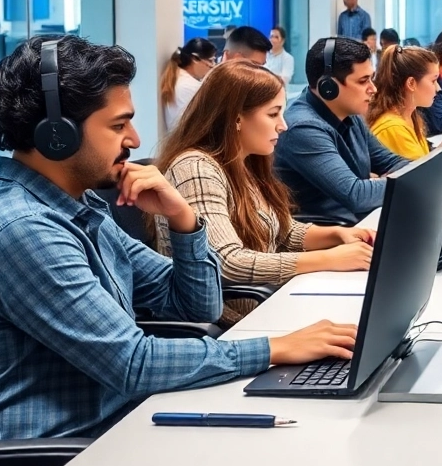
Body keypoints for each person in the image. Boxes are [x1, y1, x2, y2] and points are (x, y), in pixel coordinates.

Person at [0, 36, 357, 457]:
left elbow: (195, 308)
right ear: (56, 136)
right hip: (64, 457)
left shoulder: (78, 208)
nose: (135, 140)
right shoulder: (24, 230)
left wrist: (184, 221)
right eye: (118, 125)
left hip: (123, 422)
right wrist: (274, 349)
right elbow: (132, 365)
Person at [153, 61, 375, 325]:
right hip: (234, 324)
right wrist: (329, 258)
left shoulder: (243, 161)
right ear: (236, 117)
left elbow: (283, 231)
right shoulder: (195, 168)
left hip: (268, 304)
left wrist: (336, 235)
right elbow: (227, 261)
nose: (283, 125)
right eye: (273, 114)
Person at [274, 37, 410, 225]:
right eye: (363, 81)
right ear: (328, 87)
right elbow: (356, 195)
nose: (373, 89)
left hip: (358, 226)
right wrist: (409, 182)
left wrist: (401, 178)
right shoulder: (302, 127)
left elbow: (390, 162)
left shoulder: (349, 113)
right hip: (327, 243)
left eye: (371, 78)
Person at [367, 45, 440, 160]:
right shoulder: (392, 128)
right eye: (433, 80)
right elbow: (422, 174)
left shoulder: (410, 116)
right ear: (411, 83)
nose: (438, 88)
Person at [160, 37, 218, 130]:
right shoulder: (189, 85)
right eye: (211, 60)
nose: (212, 65)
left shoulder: (178, 78)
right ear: (195, 58)